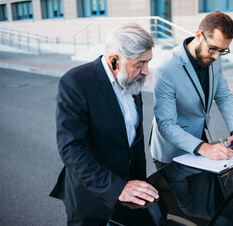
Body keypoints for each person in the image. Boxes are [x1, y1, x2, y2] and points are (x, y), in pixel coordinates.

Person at [50, 24, 159, 225]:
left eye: (148, 62)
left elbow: (134, 140)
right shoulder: (76, 82)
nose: (146, 71)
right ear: (114, 60)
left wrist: (140, 181)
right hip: (91, 197)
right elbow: (71, 149)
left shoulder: (131, 79)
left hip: (130, 193)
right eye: (140, 64)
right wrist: (117, 188)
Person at [150, 11, 233, 167]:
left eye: (222, 50)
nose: (217, 57)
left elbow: (224, 96)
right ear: (199, 35)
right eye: (213, 48)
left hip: (205, 142)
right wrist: (204, 148)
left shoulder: (215, 57)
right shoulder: (166, 67)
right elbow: (166, 125)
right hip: (173, 152)